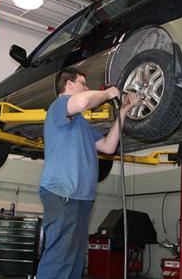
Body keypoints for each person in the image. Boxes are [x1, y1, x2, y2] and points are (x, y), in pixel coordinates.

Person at [36, 68, 139, 279]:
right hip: (63, 194)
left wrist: (123, 112)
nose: (87, 88)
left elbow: (109, 147)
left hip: (81, 198)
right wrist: (110, 92)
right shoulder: (58, 107)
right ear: (69, 85)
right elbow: (83, 102)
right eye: (83, 83)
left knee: (74, 261)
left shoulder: (81, 123)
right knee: (60, 258)